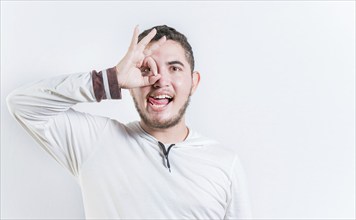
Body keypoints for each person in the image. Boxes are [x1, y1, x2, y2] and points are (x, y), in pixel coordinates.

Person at [7, 25, 252, 219]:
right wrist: (109, 80)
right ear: (130, 85)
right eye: (147, 69)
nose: (159, 80)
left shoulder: (224, 164)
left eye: (174, 68)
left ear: (194, 82)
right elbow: (23, 105)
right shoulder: (95, 142)